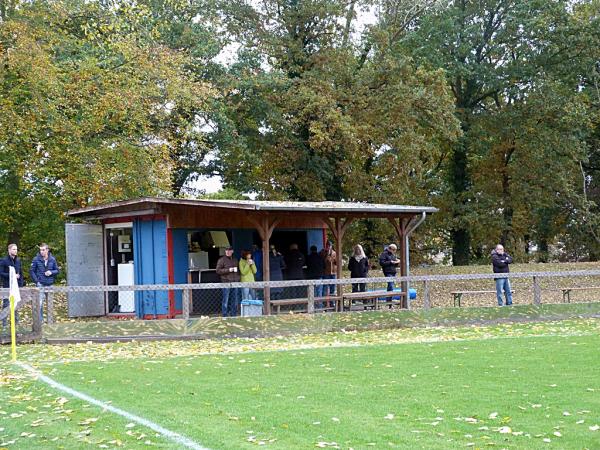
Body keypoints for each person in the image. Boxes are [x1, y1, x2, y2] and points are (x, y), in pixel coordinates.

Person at [30, 243, 60, 322]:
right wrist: (37, 281)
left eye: (43, 250)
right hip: (40, 284)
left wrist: (51, 272)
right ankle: (40, 321)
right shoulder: (36, 259)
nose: (41, 252)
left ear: (47, 250)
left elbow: (57, 270)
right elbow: (32, 271)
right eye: (40, 250)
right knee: (39, 303)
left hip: (50, 284)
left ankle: (50, 321)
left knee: (50, 303)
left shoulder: (52, 259)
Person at [0, 244, 24, 327]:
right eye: (14, 249)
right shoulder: (3, 260)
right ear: (9, 250)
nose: (15, 251)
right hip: (7, 286)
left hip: (16, 287)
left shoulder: (18, 260)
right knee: (6, 305)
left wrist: (21, 284)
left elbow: (20, 273)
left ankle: (16, 324)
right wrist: (11, 275)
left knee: (16, 304)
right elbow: (1, 273)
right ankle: (4, 325)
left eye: (16, 249)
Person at [216, 246, 241, 317]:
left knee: (235, 300)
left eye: (229, 250)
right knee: (225, 300)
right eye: (226, 250)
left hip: (235, 282)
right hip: (226, 282)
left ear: (232, 251)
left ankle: (234, 314)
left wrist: (238, 278)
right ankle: (225, 315)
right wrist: (228, 270)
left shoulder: (235, 260)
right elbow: (217, 270)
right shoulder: (221, 260)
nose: (227, 251)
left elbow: (238, 271)